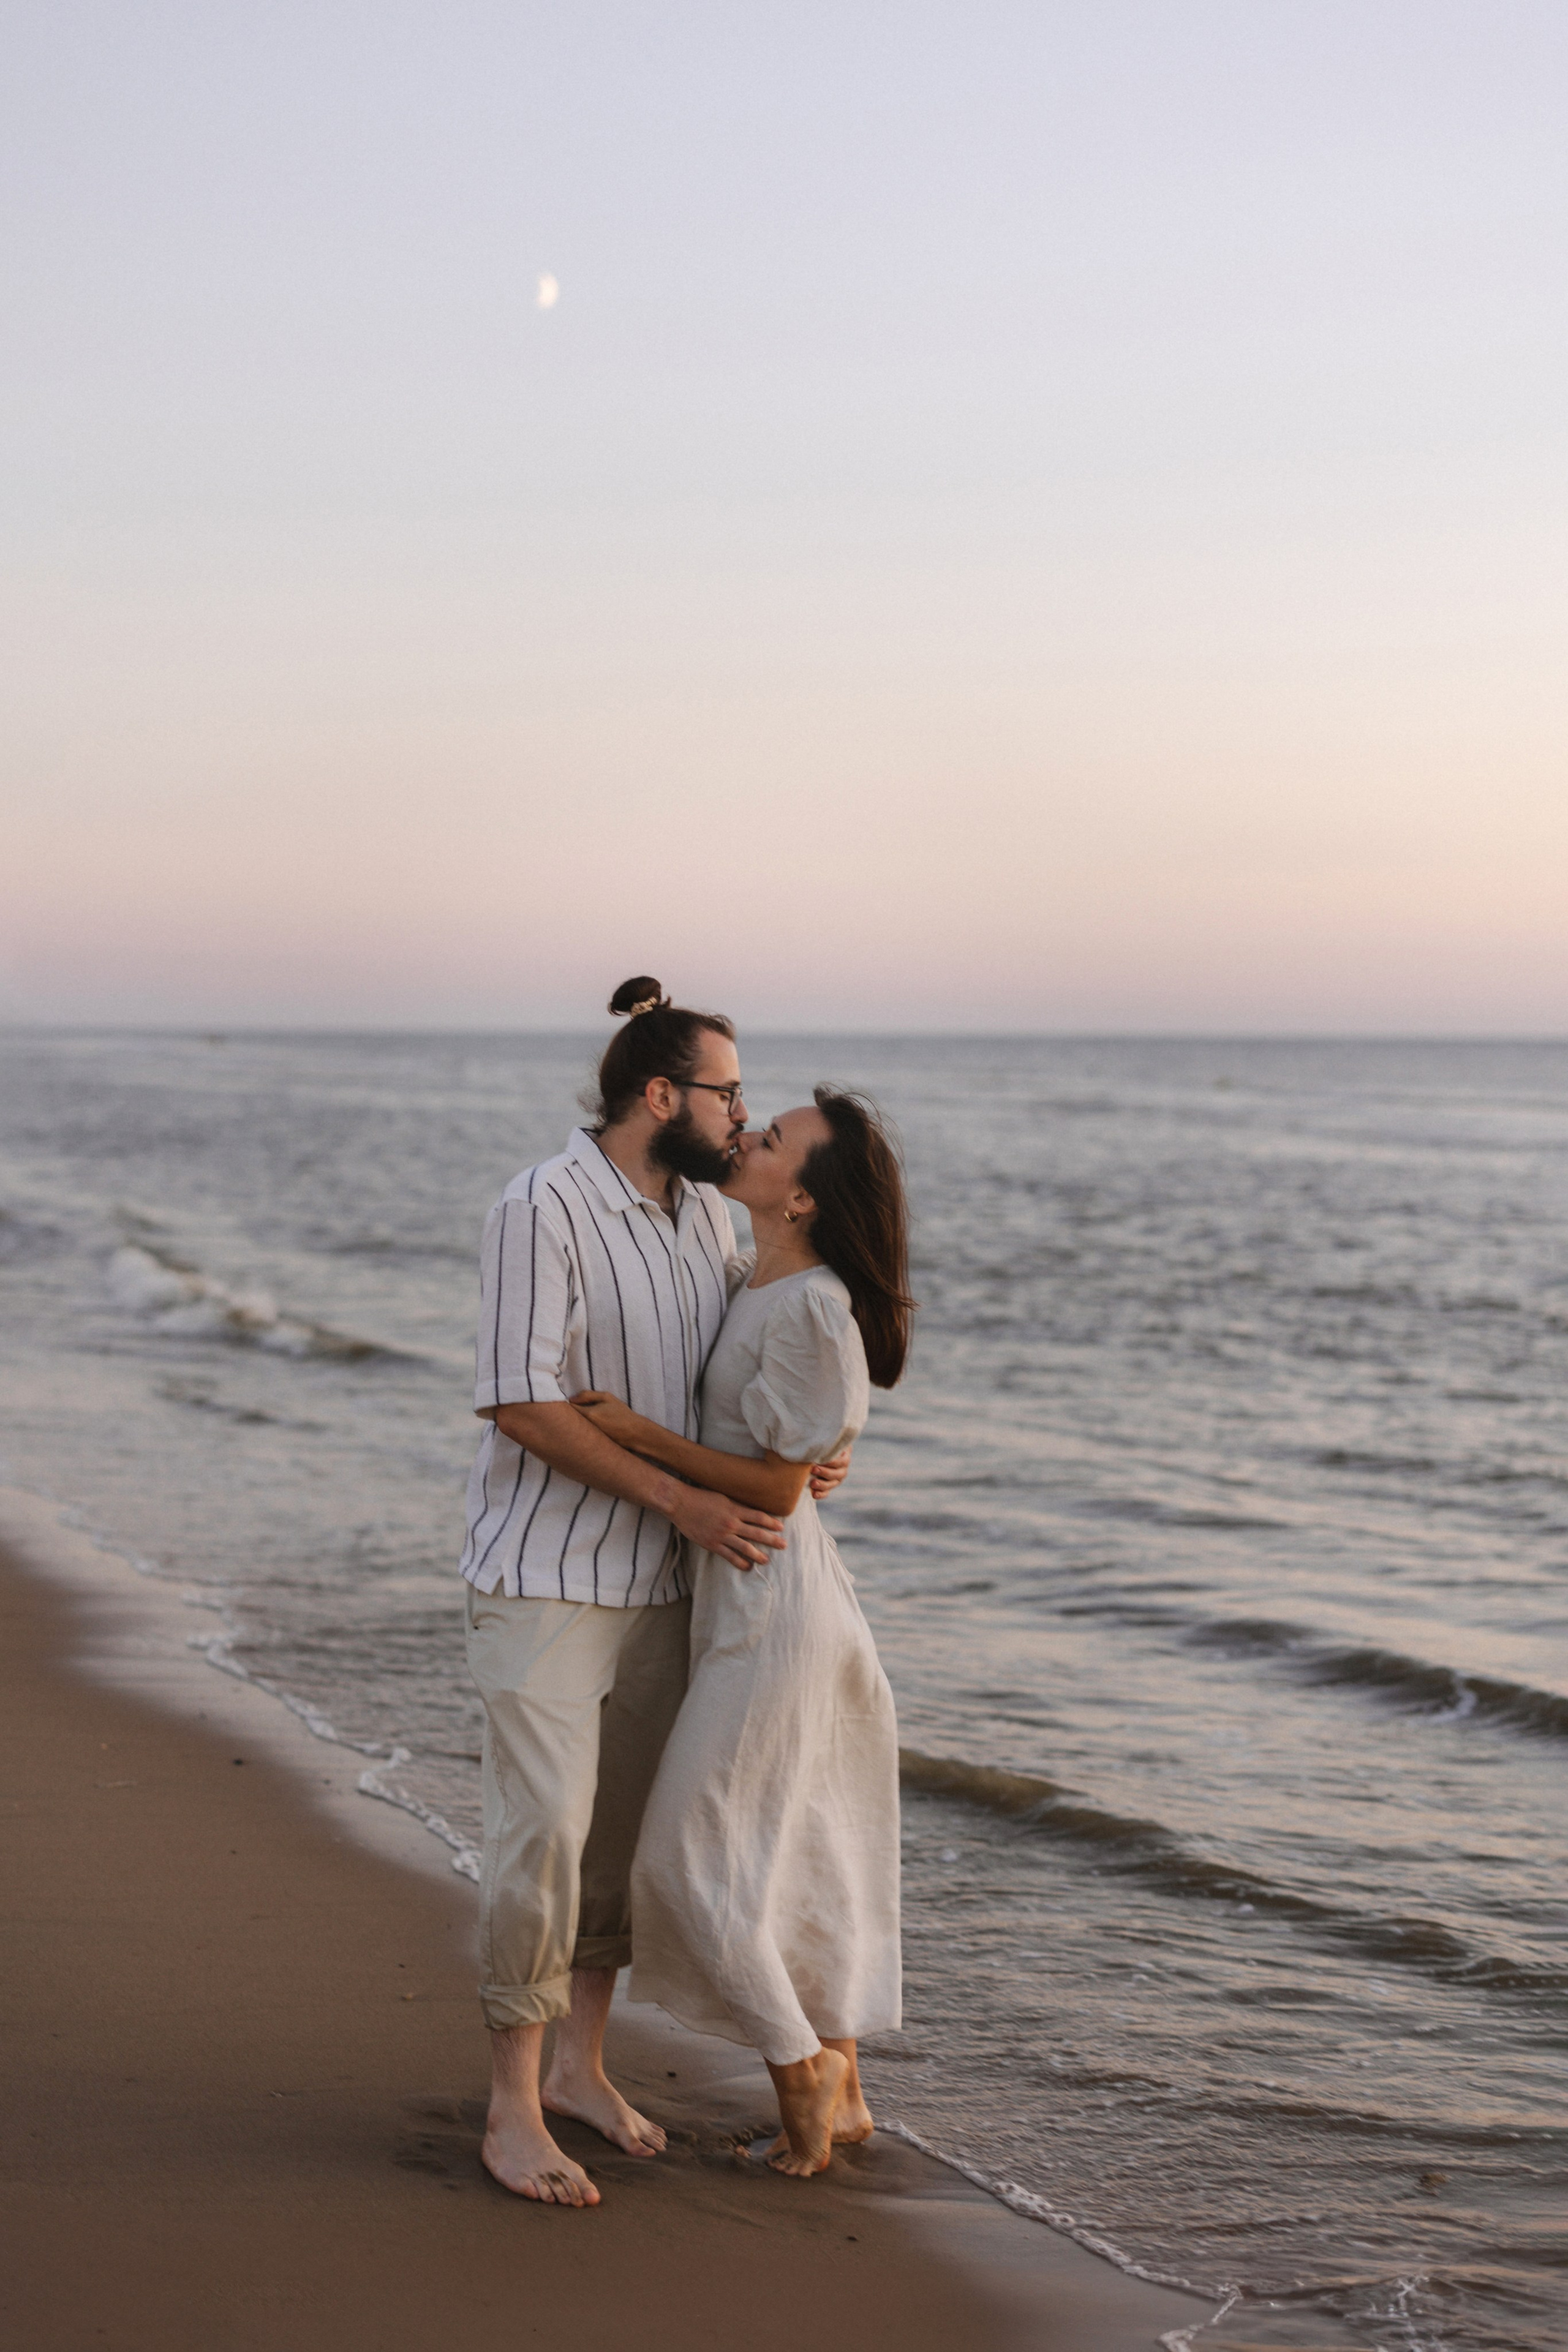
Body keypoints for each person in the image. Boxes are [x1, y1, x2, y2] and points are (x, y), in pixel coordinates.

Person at [459, 978, 849, 2209]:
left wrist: (815, 1451)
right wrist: (680, 1499)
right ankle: (511, 2110)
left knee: (619, 1852)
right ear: (659, 1093)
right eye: (728, 1089)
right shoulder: (542, 1206)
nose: (742, 1112)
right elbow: (521, 1404)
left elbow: (758, 1366)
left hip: (676, 1589)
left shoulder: (709, 1222)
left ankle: (580, 2066)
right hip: (545, 1576)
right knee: (542, 1838)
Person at [571, 1087, 913, 2178]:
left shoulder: (812, 1304)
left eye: (771, 1141)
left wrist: (635, 1434)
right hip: (751, 1604)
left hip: (778, 1614)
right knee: (797, 1848)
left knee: (689, 1857)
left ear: (802, 1195)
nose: (749, 1136)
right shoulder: (752, 1272)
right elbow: (797, 1455)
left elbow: (776, 1483)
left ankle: (800, 2068)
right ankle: (845, 2088)